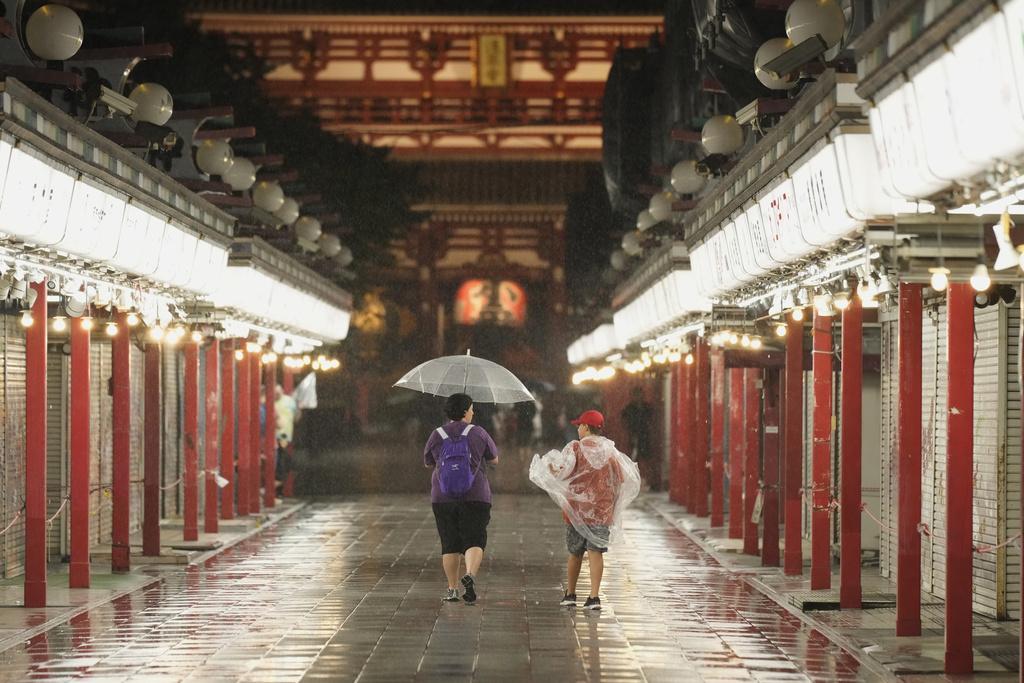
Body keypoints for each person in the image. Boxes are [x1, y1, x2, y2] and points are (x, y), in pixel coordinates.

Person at [529, 410, 640, 611]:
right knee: (596, 552)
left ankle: (570, 594)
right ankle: (594, 596)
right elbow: (620, 480)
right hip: (602, 512)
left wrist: (549, 469)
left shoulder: (575, 449)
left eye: (579, 425)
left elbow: (563, 473)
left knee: (575, 553)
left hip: (576, 512)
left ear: (586, 428)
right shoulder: (610, 452)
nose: (578, 428)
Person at [423, 393, 499, 604]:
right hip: (476, 495)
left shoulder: (437, 434)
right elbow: (495, 459)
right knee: (474, 539)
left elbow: (428, 462)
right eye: (471, 408)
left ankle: (452, 589)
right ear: (465, 411)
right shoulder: (479, 432)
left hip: (443, 496)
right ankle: (471, 575)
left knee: (449, 543)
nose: (473, 411)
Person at [274, 385, 299, 495]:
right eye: (275, 393)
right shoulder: (270, 402)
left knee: (283, 459)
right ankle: (277, 485)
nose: (277, 394)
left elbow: (296, 416)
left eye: (278, 392)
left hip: (285, 434)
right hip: (274, 435)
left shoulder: (289, 401)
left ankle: (278, 484)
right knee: (281, 459)